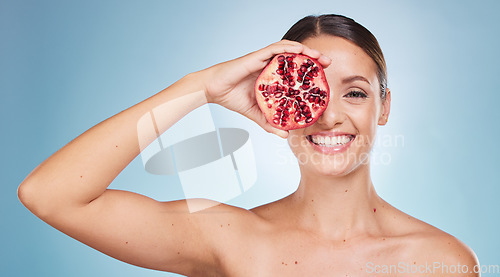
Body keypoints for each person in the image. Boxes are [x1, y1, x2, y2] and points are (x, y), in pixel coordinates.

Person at [18, 14, 479, 276]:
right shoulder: (228, 238)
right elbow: (50, 195)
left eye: (355, 92)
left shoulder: (439, 262)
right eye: (309, 91)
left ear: (384, 108)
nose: (330, 114)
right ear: (279, 103)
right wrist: (200, 87)